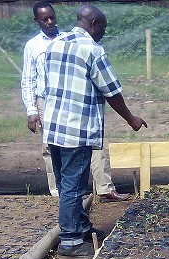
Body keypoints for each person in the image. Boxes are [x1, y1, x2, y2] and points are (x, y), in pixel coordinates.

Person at [42, 5, 147, 259]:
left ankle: (80, 226)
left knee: (67, 181)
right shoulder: (92, 50)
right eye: (102, 29)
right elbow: (111, 91)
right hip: (76, 129)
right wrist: (131, 118)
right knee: (73, 185)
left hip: (55, 127)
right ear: (95, 24)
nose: (102, 35)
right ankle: (71, 240)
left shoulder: (54, 45)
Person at [20, 1, 129, 202]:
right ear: (37, 21)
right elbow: (28, 79)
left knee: (92, 146)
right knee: (54, 151)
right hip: (49, 102)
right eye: (45, 19)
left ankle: (101, 187)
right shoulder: (34, 46)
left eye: (52, 17)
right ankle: (62, 197)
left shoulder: (64, 39)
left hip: (77, 103)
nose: (50, 21)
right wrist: (31, 109)